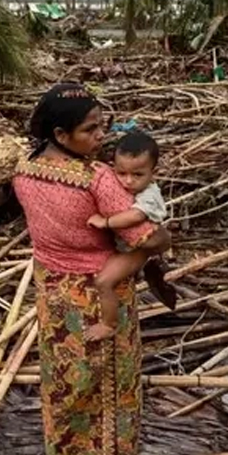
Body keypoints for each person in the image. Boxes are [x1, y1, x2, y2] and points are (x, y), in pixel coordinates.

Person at [12, 83, 172, 455]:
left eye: (103, 126)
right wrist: (164, 237)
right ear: (61, 136)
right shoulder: (97, 179)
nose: (102, 137)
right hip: (103, 294)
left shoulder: (23, 172)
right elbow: (147, 238)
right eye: (90, 130)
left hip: (52, 292)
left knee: (61, 378)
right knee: (112, 379)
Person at [85, 130, 175, 341]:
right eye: (121, 173)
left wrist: (104, 222)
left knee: (103, 282)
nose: (128, 181)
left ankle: (109, 324)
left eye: (137, 175)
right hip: (125, 246)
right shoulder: (124, 181)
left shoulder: (149, 195)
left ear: (154, 172)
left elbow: (134, 216)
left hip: (136, 251)